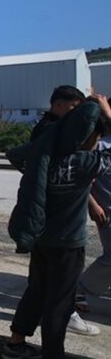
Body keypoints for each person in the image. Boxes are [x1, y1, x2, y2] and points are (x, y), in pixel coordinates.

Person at [4, 97, 111, 359]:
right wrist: (108, 115)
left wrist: (54, 135)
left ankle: (15, 344)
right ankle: (53, 354)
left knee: (36, 292)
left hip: (41, 238)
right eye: (96, 137)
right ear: (88, 137)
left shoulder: (44, 155)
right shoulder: (86, 163)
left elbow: (15, 154)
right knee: (60, 305)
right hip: (68, 245)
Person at [75, 124, 111, 311]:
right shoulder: (99, 146)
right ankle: (79, 288)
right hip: (107, 211)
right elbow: (81, 177)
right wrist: (92, 204)